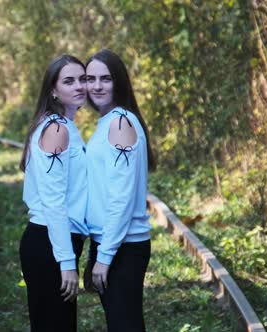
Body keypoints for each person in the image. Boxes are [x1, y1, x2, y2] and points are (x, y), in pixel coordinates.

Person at [83, 48, 156, 332]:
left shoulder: (121, 123)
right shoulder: (109, 121)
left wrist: (104, 256)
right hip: (112, 242)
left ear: (119, 82)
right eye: (91, 78)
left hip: (123, 247)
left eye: (106, 78)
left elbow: (122, 198)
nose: (97, 86)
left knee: (125, 325)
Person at [18, 54, 90, 331]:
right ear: (53, 90)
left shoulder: (63, 125)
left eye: (82, 79)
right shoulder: (57, 129)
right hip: (49, 244)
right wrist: (67, 261)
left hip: (53, 242)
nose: (79, 86)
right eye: (69, 81)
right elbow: (53, 201)